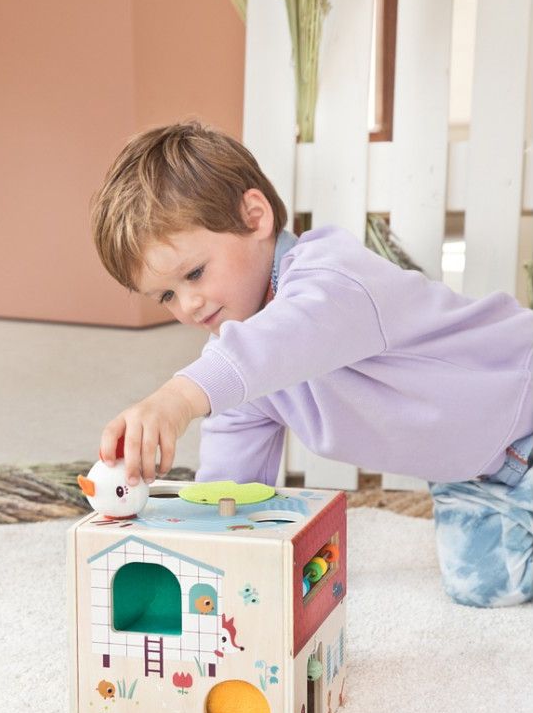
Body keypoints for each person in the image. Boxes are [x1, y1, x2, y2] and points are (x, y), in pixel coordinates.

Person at [90, 121, 533, 608]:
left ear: (255, 217)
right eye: (167, 296)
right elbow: (229, 490)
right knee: (483, 587)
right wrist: (206, 562)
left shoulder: (332, 280)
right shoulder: (239, 373)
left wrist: (176, 398)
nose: (189, 304)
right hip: (470, 474)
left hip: (522, 404)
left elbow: (280, 342)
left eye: (194, 273)